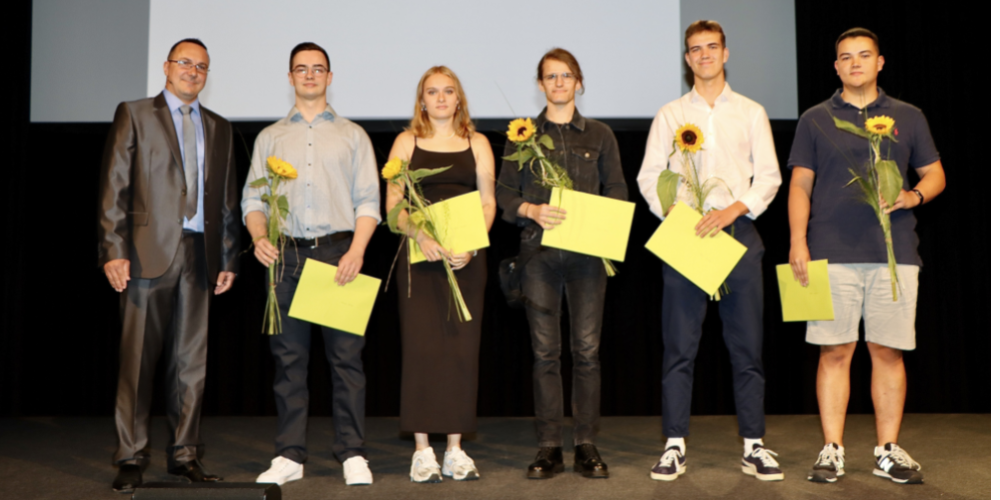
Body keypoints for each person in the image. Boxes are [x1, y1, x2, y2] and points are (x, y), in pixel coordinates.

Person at [788, 28, 945, 485]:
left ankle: (888, 450)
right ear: (836, 67)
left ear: (880, 62)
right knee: (834, 351)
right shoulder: (815, 118)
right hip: (830, 254)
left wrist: (913, 196)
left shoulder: (908, 116)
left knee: (887, 351)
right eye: (845, 57)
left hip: (894, 255)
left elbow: (935, 174)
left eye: (864, 55)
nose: (854, 63)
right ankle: (832, 449)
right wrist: (798, 241)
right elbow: (800, 184)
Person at [636, 20, 784, 482]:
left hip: (739, 235)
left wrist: (732, 211)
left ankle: (754, 446)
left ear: (725, 53)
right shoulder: (670, 115)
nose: (703, 55)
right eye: (694, 49)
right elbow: (648, 177)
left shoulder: (752, 112)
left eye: (711, 47)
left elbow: (770, 178)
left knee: (747, 349)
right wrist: (682, 218)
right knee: (680, 348)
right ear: (687, 59)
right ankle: (675, 445)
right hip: (688, 236)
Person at [98, 38, 240, 494]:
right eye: (184, 63)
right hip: (143, 252)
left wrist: (228, 256)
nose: (192, 71)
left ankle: (184, 455)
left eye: (201, 66)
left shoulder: (218, 126)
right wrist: (113, 248)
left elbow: (227, 201)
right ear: (166, 67)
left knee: (190, 364)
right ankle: (131, 455)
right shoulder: (135, 113)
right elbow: (114, 186)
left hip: (200, 254)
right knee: (137, 361)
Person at [243, 42, 381, 487]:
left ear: (329, 76)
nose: (309, 75)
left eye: (317, 68)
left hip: (338, 253)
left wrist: (357, 251)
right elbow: (252, 199)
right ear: (289, 77)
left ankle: (353, 453)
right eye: (300, 69)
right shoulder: (269, 137)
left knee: (346, 360)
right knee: (288, 360)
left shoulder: (353, 135)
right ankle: (289, 455)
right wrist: (259, 236)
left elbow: (368, 201)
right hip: (285, 256)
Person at [496, 48, 627, 480]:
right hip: (538, 256)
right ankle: (549, 446)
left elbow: (618, 191)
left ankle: (586, 444)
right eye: (550, 76)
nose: (558, 83)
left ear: (579, 82)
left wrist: (600, 223)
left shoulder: (601, 135)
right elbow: (503, 196)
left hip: (588, 257)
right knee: (545, 355)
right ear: (540, 84)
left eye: (566, 75)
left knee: (587, 353)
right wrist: (530, 210)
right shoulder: (522, 135)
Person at [384, 66, 496, 484]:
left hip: (466, 259)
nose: (441, 98)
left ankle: (455, 449)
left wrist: (471, 244)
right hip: (420, 258)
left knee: (461, 352)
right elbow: (394, 205)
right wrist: (421, 236)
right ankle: (422, 451)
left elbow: (488, 204)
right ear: (422, 100)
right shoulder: (406, 142)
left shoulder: (478, 143)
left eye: (449, 91)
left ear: (459, 98)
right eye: (433, 92)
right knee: (421, 350)